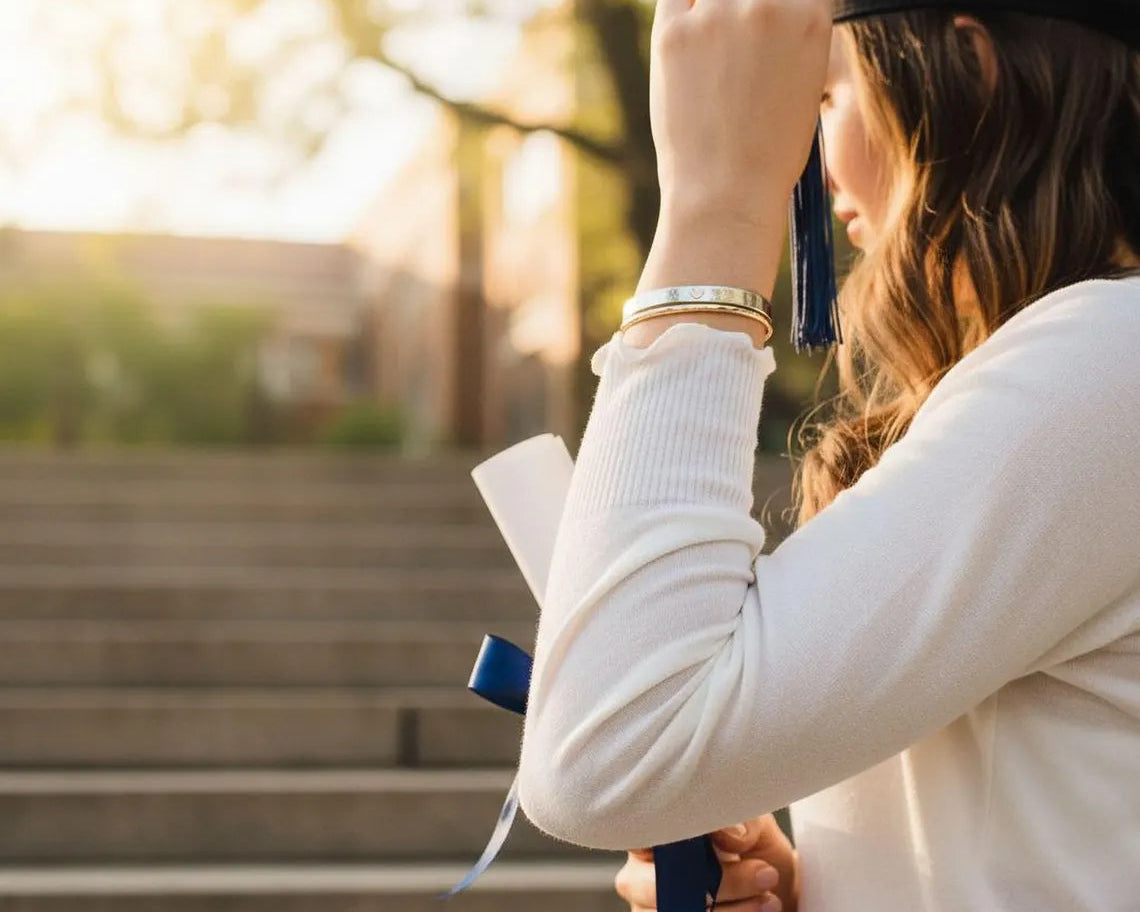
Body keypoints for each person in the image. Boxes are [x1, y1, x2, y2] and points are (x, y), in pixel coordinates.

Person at [513, 1, 1140, 911]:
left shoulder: (1106, 363)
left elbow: (608, 758)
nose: (800, 151)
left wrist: (715, 206)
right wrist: (825, 886)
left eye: (823, 94)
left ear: (971, 66)